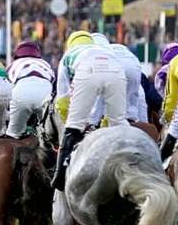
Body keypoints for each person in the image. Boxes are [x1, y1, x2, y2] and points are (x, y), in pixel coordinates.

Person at [53, 32, 125, 190]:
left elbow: (63, 100)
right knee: (120, 124)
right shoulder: (103, 50)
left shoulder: (68, 56)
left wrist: (72, 122)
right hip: (117, 70)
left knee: (73, 125)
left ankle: (59, 177)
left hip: (88, 70)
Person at [5, 39, 57, 137]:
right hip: (45, 94)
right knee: (50, 136)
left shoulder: (13, 64)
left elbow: (6, 90)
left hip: (21, 94)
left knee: (13, 134)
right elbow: (54, 87)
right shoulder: (46, 64)